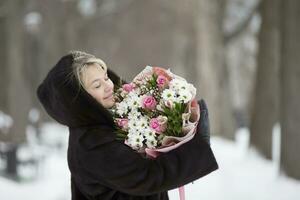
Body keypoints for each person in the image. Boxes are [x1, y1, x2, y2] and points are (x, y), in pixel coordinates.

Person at [36, 50, 218, 200]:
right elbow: (147, 176)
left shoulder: (109, 121)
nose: (108, 86)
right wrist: (198, 146)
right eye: (97, 85)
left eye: (106, 77)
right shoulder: (92, 142)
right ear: (80, 101)